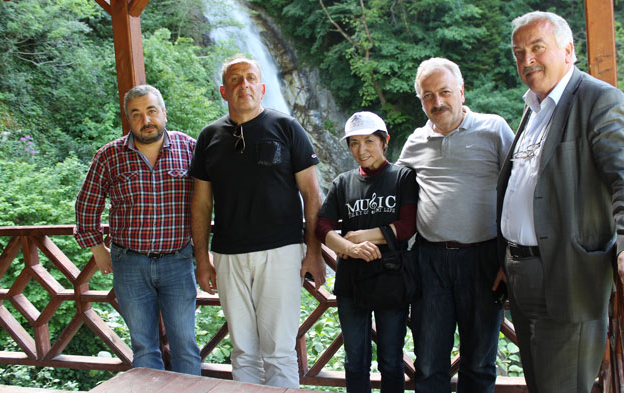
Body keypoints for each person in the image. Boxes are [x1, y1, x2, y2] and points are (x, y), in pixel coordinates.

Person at [497, 11, 624, 393]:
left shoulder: (599, 99)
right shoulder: (533, 108)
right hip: (520, 275)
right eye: (518, 52)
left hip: (568, 276)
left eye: (537, 48)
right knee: (540, 385)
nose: (527, 59)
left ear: (568, 50)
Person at [190, 54, 326, 388]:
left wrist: (314, 252)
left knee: (279, 350)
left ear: (262, 88)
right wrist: (202, 258)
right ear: (223, 91)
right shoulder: (208, 137)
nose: (244, 85)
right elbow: (201, 203)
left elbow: (312, 194)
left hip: (281, 251)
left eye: (250, 78)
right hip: (228, 255)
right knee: (243, 351)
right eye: (235, 80)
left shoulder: (287, 127)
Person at [396, 57, 514, 393]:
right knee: (429, 361)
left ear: (461, 92)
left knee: (479, 362)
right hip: (430, 261)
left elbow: (520, 189)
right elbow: (391, 190)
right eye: (428, 96)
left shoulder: (494, 129)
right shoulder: (415, 141)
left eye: (445, 92)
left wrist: (509, 258)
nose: (437, 102)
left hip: (484, 259)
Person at [74, 85, 201, 375]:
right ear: (128, 120)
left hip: (178, 261)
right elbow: (86, 205)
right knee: (144, 347)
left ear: (164, 113)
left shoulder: (190, 149)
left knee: (185, 345)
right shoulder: (109, 155)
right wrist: (97, 248)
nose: (146, 120)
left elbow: (210, 200)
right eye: (136, 114)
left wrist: (207, 251)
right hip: (129, 263)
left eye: (152, 111)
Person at [316, 111, 418, 393]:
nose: (361, 150)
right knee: (355, 361)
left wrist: (361, 236)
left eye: (369, 141)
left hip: (391, 278)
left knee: (391, 361)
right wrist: (349, 247)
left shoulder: (402, 177)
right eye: (354, 143)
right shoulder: (343, 183)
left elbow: (408, 225)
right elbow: (322, 225)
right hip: (352, 280)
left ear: (385, 142)